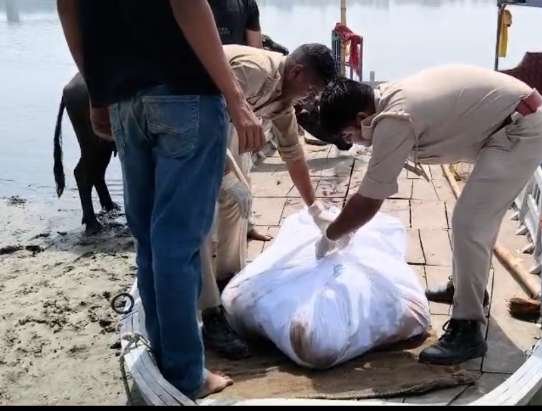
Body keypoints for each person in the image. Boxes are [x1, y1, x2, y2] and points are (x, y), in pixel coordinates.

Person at [57, 0, 265, 398]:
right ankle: (187, 374)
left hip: (125, 101)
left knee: (151, 241)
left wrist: (98, 91)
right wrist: (236, 97)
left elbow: (67, 8)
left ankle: (164, 355)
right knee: (177, 244)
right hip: (186, 92)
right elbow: (187, 4)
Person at [316, 66, 542, 365]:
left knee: (470, 221)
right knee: (475, 217)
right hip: (509, 121)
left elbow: (368, 200)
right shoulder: (387, 99)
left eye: (349, 135)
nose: (353, 143)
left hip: (521, 128)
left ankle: (468, 328)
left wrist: (331, 234)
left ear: (362, 118)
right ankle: (465, 289)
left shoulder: (393, 119)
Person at [197, 43, 338, 356]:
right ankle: (210, 314)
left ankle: (228, 281)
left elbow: (294, 154)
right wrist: (226, 175)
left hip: (223, 127)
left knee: (238, 202)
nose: (311, 99)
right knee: (201, 217)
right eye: (312, 90)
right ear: (297, 72)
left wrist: (314, 208)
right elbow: (206, 121)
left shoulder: (284, 98)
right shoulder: (253, 71)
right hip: (191, 120)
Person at [198, 0, 268, 360]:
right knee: (204, 204)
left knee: (237, 188)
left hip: (230, 98)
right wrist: (237, 98)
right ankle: (209, 310)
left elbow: (254, 47)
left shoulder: (246, 3)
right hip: (206, 98)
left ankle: (228, 277)